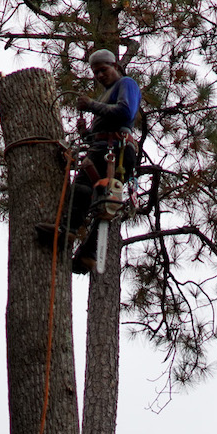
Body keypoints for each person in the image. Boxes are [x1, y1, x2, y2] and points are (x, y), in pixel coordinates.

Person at [38, 49, 141, 271]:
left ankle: (67, 232)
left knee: (86, 189)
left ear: (115, 65)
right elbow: (105, 126)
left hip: (115, 150)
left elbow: (125, 112)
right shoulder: (108, 93)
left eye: (103, 70)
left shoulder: (127, 84)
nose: (100, 76)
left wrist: (92, 105)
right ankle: (88, 254)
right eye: (95, 73)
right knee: (100, 201)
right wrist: (86, 133)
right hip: (105, 148)